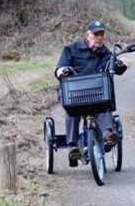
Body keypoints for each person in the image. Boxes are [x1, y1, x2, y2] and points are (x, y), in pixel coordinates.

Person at [55, 20, 129, 167]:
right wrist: (60, 72)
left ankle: (107, 134)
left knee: (104, 103)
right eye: (96, 34)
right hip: (75, 93)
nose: (99, 37)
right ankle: (72, 146)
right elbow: (59, 68)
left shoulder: (105, 53)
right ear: (87, 35)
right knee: (72, 109)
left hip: (96, 94)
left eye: (102, 34)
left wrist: (122, 63)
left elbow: (115, 67)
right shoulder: (71, 49)